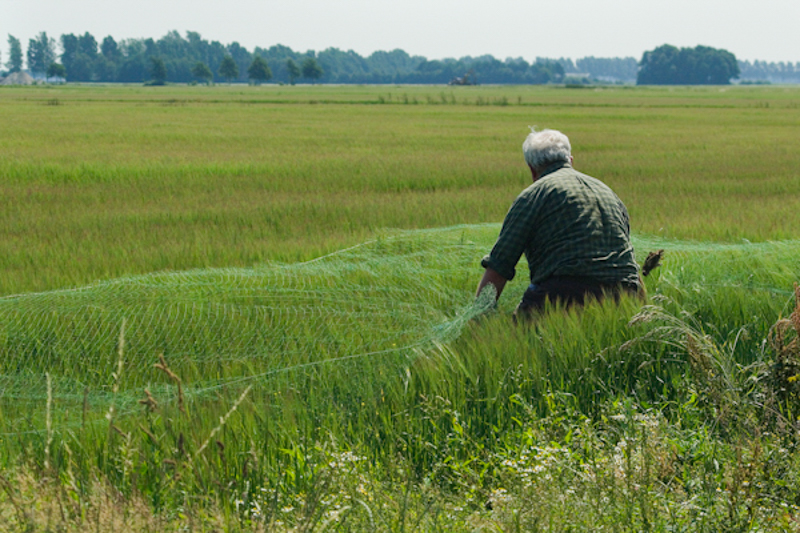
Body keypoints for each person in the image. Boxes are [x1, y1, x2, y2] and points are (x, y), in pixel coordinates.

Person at [476, 128, 643, 320]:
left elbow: (499, 265)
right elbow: (629, 261)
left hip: (562, 297)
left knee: (512, 342)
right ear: (570, 160)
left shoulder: (533, 195)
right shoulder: (609, 194)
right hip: (625, 298)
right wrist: (642, 316)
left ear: (532, 169)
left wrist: (477, 318)